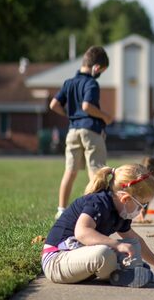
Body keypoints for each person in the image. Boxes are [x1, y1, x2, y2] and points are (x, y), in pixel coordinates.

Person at [41, 164, 154, 287]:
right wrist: (117, 245)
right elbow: (82, 233)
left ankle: (126, 271)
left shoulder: (121, 213)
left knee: (133, 244)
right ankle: (120, 274)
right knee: (104, 253)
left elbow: (136, 240)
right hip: (57, 260)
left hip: (79, 258)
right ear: (125, 199)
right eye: (141, 205)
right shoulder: (97, 203)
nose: (141, 210)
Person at [50, 46, 113, 220]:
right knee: (96, 171)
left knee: (70, 171)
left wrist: (70, 115)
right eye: (102, 71)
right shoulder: (91, 83)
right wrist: (106, 116)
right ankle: (96, 210)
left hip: (73, 130)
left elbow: (54, 105)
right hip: (91, 130)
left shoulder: (68, 83)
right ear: (96, 67)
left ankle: (61, 210)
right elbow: (87, 106)